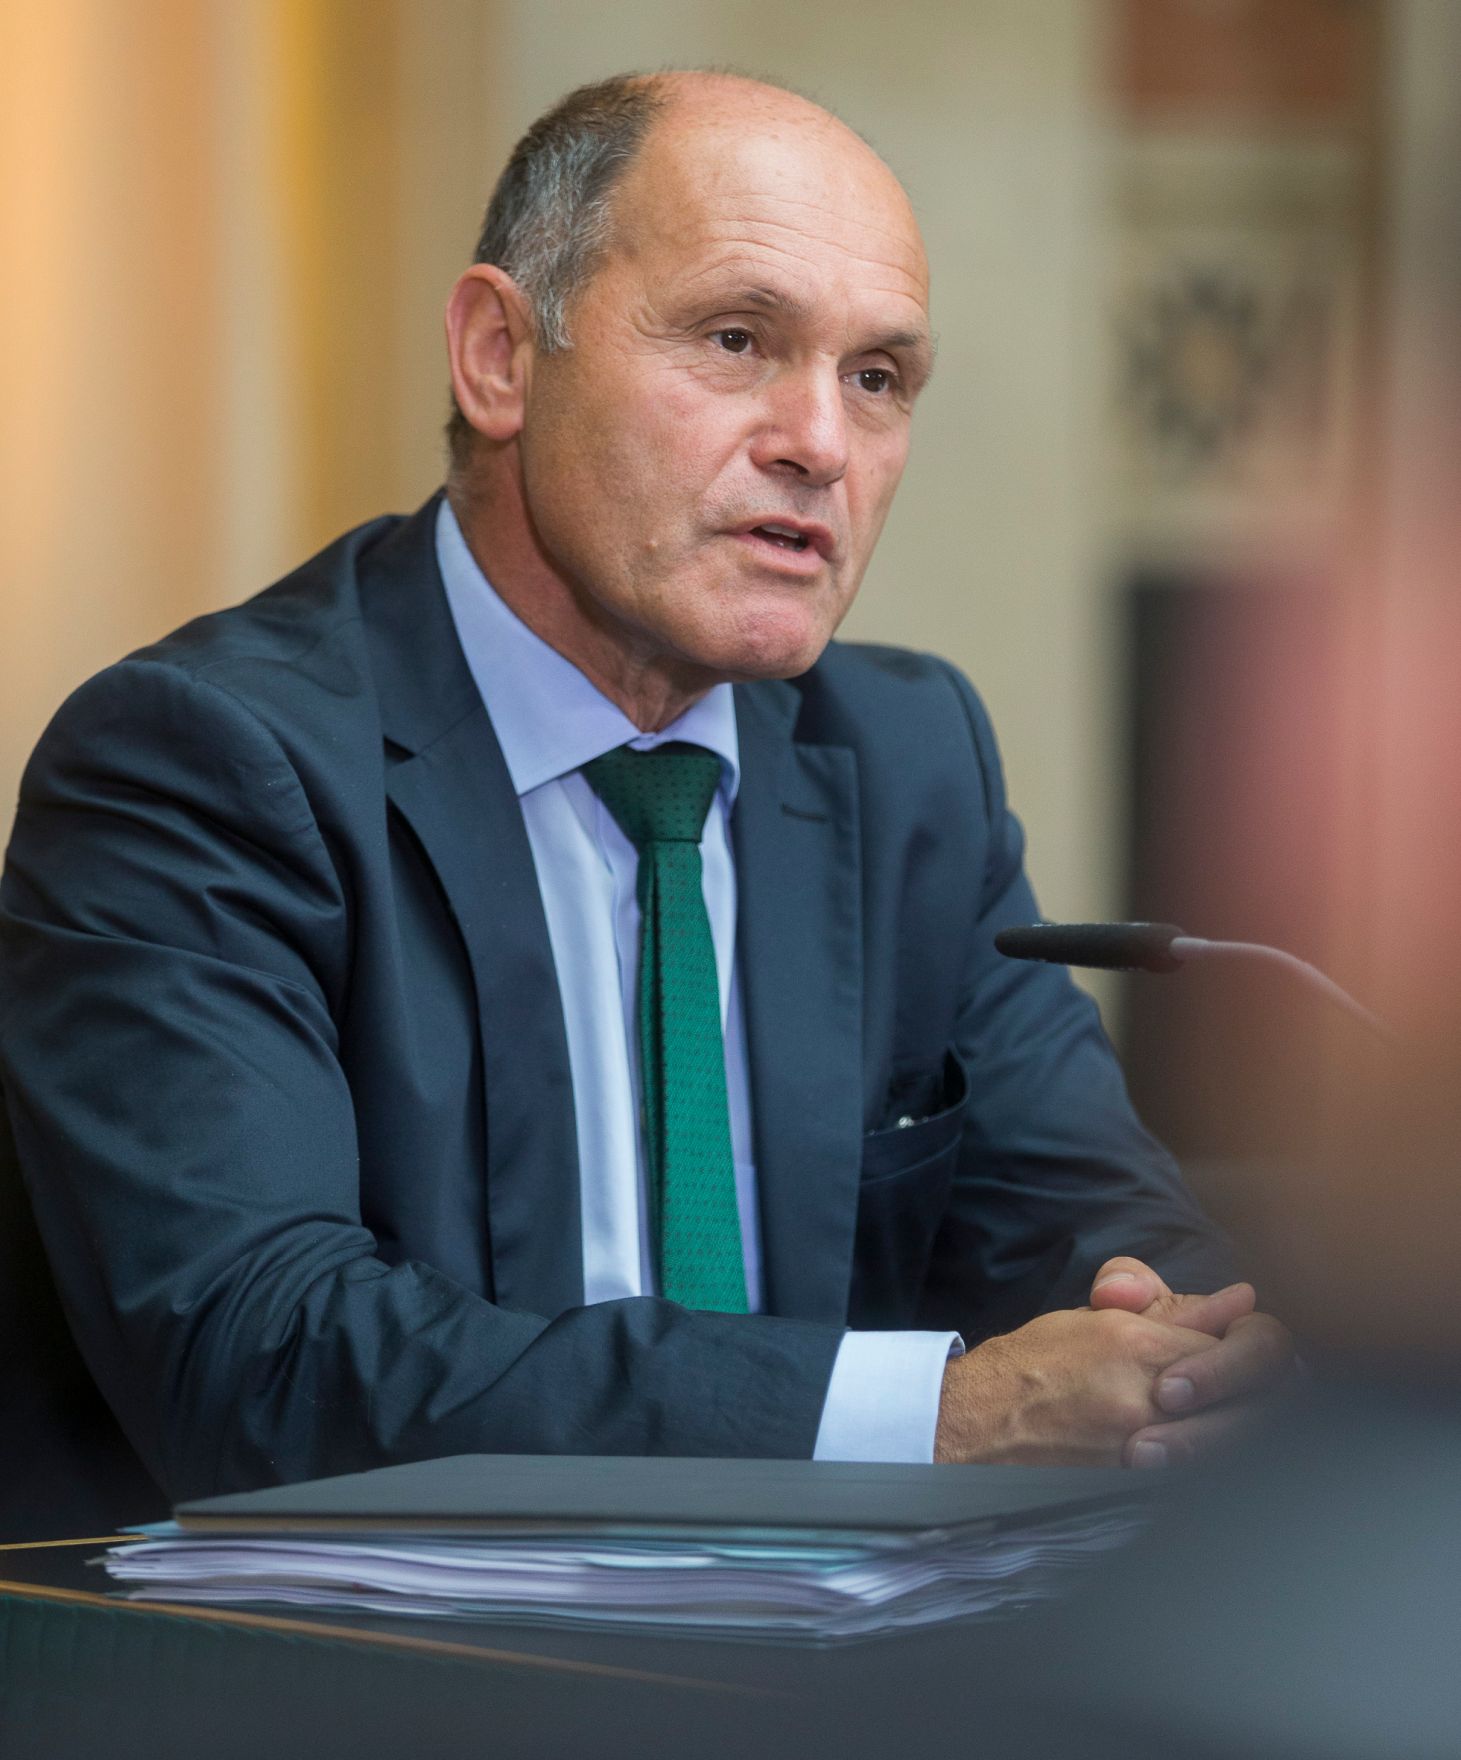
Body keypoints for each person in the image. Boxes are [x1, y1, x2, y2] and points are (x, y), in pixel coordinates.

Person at [0, 71, 1289, 1534]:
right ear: (499, 356)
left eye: (877, 379)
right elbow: (266, 1360)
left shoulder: (907, 757)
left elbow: (1081, 1218)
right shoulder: (202, 766)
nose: (819, 442)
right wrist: (933, 1419)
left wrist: (1176, 1343)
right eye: (737, 341)